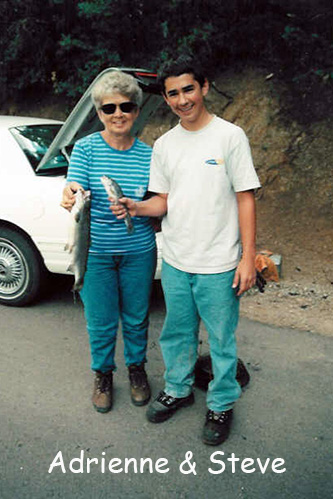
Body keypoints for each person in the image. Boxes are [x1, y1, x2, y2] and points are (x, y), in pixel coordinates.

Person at [111, 58, 261, 445]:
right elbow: (162, 201)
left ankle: (222, 402)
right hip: (176, 259)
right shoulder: (164, 144)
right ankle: (177, 388)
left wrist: (248, 258)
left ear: (204, 88)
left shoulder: (231, 137)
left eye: (188, 90)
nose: (182, 100)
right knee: (176, 333)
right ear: (165, 98)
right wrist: (136, 206)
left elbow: (246, 198)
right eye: (173, 93)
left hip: (219, 262)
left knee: (221, 339)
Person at [61, 71, 157, 413]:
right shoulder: (85, 148)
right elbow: (74, 188)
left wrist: (140, 208)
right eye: (109, 108)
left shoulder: (149, 154)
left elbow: (158, 203)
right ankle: (103, 375)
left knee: (136, 318)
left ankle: (137, 371)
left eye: (126, 106)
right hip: (95, 252)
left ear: (136, 110)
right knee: (100, 320)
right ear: (99, 113)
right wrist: (69, 194)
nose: (118, 113)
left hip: (138, 250)